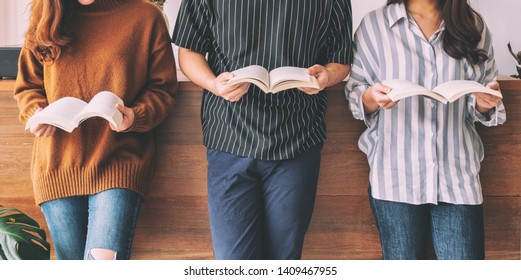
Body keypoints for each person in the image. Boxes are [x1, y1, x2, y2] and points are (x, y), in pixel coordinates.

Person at [172, 0, 353, 259]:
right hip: (229, 136)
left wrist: (327, 75)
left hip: (298, 139)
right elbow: (189, 51)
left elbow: (340, 60)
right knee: (233, 264)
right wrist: (214, 84)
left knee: (284, 261)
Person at [14, 0, 177, 260]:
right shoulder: (46, 16)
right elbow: (27, 87)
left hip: (119, 163)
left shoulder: (146, 16)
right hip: (58, 166)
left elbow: (163, 89)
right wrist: (37, 113)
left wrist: (135, 116)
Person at [345, 0, 506, 260]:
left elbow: (483, 96)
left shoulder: (471, 25)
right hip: (395, 178)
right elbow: (355, 94)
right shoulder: (374, 26)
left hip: (457, 177)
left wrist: (485, 103)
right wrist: (372, 98)